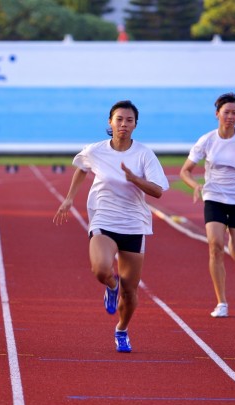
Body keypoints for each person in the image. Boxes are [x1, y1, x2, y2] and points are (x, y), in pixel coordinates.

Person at [53, 100, 168, 353]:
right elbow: (81, 168)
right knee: (101, 269)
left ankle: (122, 330)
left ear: (135, 124)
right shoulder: (95, 151)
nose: (123, 125)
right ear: (110, 122)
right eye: (119, 119)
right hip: (104, 218)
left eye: (129, 120)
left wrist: (135, 179)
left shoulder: (144, 154)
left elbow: (158, 191)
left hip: (134, 223)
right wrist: (69, 198)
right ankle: (111, 286)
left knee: (131, 290)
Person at [179, 93, 235, 318]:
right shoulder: (207, 140)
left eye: (234, 113)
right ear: (217, 114)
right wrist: (195, 185)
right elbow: (185, 170)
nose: (230, 116)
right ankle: (222, 302)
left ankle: (232, 234)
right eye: (226, 112)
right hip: (214, 198)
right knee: (215, 246)